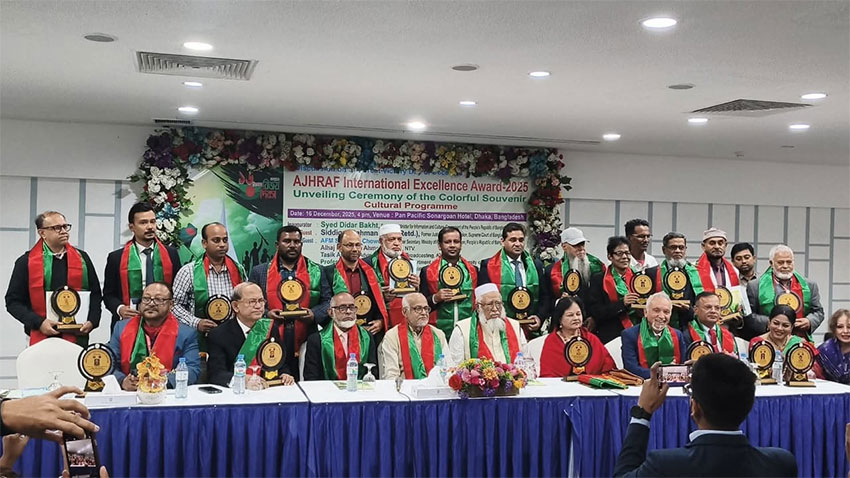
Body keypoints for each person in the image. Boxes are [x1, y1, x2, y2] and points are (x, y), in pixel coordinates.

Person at [613, 355, 797, 477]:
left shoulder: (664, 465)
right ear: (748, 405)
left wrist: (642, 413)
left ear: (695, 407)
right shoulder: (780, 464)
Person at [5, 211, 102, 346]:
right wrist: (39, 323)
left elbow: (95, 294)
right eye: (57, 228)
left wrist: (92, 320)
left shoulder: (82, 259)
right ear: (42, 233)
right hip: (40, 334)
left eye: (65, 226)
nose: (63, 231)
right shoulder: (26, 262)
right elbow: (13, 302)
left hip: (76, 336)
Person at [248, 225, 330, 381]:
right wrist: (267, 314)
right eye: (287, 241)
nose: (292, 245)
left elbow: (328, 301)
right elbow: (250, 303)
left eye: (296, 242)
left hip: (306, 337)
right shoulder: (260, 272)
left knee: (307, 381)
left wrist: (313, 314)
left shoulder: (317, 270)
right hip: (269, 336)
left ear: (301, 244)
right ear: (277, 245)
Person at [103, 202, 181, 332]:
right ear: (132, 227)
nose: (150, 227)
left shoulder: (171, 254)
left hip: (164, 323)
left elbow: (178, 292)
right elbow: (108, 295)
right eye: (143, 222)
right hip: (128, 323)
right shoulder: (116, 258)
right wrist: (120, 308)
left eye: (152, 222)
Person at [107, 282, 201, 390]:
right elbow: (109, 364)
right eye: (146, 299)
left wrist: (161, 382)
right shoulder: (121, 328)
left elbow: (192, 369)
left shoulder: (186, 333)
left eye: (158, 299)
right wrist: (122, 381)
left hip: (166, 394)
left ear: (171, 305)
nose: (151, 304)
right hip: (129, 393)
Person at [172, 222, 246, 346]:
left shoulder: (239, 270)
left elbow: (244, 301)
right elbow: (174, 306)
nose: (222, 244)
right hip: (198, 339)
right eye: (216, 240)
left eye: (225, 240)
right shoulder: (188, 271)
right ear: (204, 243)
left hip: (232, 337)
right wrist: (196, 322)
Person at [207, 282, 294, 387]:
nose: (258, 306)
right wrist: (242, 380)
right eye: (252, 302)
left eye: (261, 301)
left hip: (266, 389)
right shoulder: (219, 334)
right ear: (235, 306)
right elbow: (216, 374)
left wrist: (285, 374)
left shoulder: (270, 328)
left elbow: (279, 362)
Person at [478, 222, 548, 336]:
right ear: (502, 241)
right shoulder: (488, 265)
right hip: (499, 328)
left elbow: (545, 296)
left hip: (529, 328)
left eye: (521, 240)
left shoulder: (536, 265)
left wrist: (539, 317)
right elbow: (483, 300)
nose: (517, 244)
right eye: (513, 240)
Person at [746, 244, 824, 340]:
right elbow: (749, 316)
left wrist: (809, 321)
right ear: (771, 263)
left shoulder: (809, 285)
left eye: (789, 262)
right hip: (767, 340)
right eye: (780, 262)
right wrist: (773, 323)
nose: (785, 266)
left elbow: (818, 312)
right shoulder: (755, 285)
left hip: (799, 340)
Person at [587, 236, 654, 344]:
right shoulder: (599, 279)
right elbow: (596, 312)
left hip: (639, 332)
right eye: (619, 253)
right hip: (611, 335)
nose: (624, 257)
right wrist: (622, 304)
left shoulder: (640, 277)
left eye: (627, 253)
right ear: (610, 256)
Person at [323, 229, 389, 336]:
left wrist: (380, 321)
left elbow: (379, 302)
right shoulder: (329, 273)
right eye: (349, 245)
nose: (354, 249)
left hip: (370, 332)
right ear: (339, 247)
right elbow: (325, 304)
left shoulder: (372, 271)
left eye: (358, 245)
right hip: (340, 332)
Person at [419, 226, 478, 340]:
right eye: (447, 242)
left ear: (461, 244)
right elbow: (420, 304)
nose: (452, 245)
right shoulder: (427, 271)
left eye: (456, 241)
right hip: (438, 331)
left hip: (467, 330)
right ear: (439, 245)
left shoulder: (473, 271)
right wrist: (435, 298)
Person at [544, 227, 606, 331]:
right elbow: (546, 300)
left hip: (593, 324)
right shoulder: (551, 271)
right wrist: (560, 301)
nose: (581, 249)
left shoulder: (597, 267)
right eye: (576, 245)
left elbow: (602, 298)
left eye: (582, 244)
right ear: (564, 247)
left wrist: (594, 317)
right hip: (562, 325)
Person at [448, 283, 527, 365]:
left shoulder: (515, 326)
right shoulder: (462, 330)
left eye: (498, 303)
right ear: (478, 307)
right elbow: (455, 366)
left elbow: (526, 361)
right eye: (489, 304)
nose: (495, 309)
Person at [539, 296, 615, 378]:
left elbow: (609, 368)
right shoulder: (552, 341)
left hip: (591, 384)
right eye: (570, 315)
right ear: (560, 319)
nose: (576, 318)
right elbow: (547, 375)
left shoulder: (591, 339)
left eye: (578, 314)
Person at [379, 293, 449, 380]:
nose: (424, 313)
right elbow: (391, 375)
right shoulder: (392, 336)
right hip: (405, 387)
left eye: (426, 308)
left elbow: (448, 368)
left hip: (435, 386)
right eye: (418, 309)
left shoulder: (438, 334)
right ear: (405, 312)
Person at [364, 224, 421, 330]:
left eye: (399, 239)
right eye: (391, 239)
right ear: (381, 241)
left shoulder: (409, 263)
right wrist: (381, 297)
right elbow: (362, 296)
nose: (396, 243)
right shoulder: (367, 264)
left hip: (405, 319)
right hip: (379, 322)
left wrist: (417, 287)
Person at [621, 292, 687, 379]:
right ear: (645, 312)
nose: (661, 316)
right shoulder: (630, 335)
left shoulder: (678, 335)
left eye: (666, 312)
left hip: (673, 383)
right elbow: (631, 369)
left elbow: (684, 366)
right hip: (643, 384)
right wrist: (663, 373)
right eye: (656, 310)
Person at [649, 232, 701, 330]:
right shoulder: (652, 274)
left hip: (690, 327)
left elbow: (701, 303)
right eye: (673, 247)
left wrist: (689, 309)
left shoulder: (696, 273)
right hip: (659, 327)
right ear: (664, 250)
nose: (678, 251)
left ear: (685, 250)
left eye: (681, 247)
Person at [814, 309, 850, 384]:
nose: (845, 331)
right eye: (840, 327)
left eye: (849, 327)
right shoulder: (824, 350)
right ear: (834, 329)